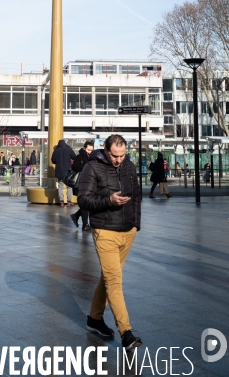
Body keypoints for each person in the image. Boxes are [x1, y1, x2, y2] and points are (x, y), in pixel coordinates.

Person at [78, 134, 142, 351]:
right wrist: (109, 200)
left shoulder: (128, 166)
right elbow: (83, 199)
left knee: (108, 276)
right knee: (114, 279)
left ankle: (95, 318)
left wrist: (136, 224)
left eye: (122, 155)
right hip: (105, 231)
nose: (119, 159)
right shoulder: (92, 167)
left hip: (127, 231)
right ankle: (126, 332)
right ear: (105, 150)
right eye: (115, 156)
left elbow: (137, 195)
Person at [70, 141, 94, 231]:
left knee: (88, 204)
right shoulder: (79, 157)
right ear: (84, 148)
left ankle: (76, 216)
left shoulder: (92, 157)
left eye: (91, 150)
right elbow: (75, 167)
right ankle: (85, 224)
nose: (90, 151)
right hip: (81, 183)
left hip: (90, 183)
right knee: (85, 203)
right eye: (88, 150)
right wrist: (86, 168)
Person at [51, 139, 76, 207]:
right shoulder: (68, 149)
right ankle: (69, 201)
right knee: (69, 186)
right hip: (68, 170)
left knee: (60, 185)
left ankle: (61, 201)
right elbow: (74, 157)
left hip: (59, 170)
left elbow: (53, 160)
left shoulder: (56, 150)